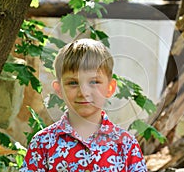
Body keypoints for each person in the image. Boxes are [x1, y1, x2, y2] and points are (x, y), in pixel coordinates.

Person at [20, 38, 147, 171]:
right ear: (59, 89)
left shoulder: (126, 145)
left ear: (110, 88)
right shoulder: (43, 143)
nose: (84, 92)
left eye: (94, 82)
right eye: (73, 83)